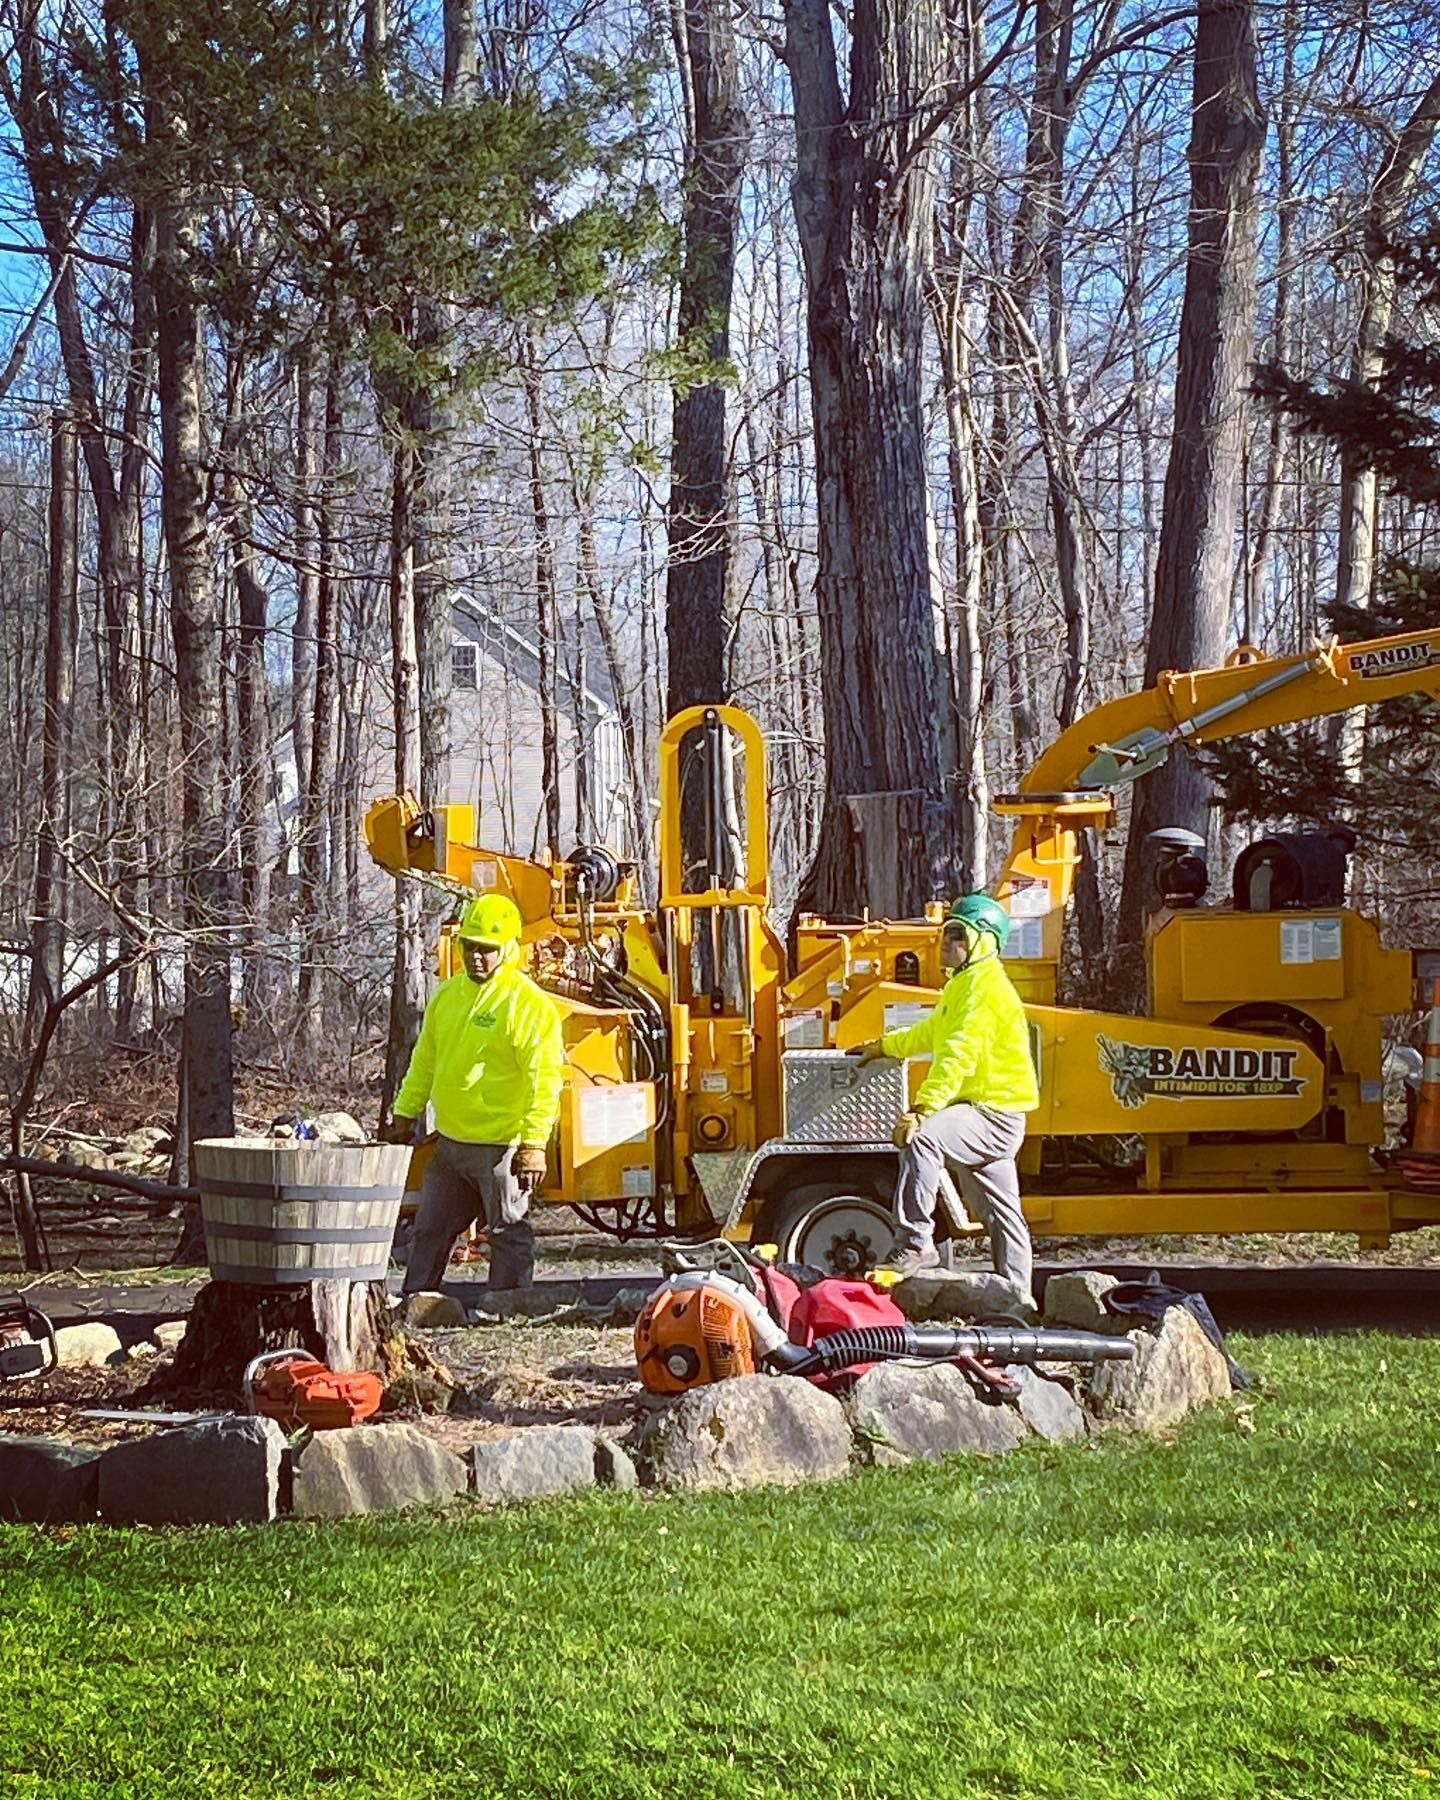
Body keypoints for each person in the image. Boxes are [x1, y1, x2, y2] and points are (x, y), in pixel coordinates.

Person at [853, 894, 1040, 1295]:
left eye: (957, 934)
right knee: (1003, 1214)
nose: (945, 942)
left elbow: (956, 1056)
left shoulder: (984, 991)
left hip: (992, 1115)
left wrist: (923, 1109)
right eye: (945, 933)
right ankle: (1019, 1298)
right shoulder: (966, 985)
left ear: (983, 941)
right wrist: (885, 1046)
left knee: (922, 1140)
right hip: (997, 1114)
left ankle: (915, 1244)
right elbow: (932, 1034)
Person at [384, 893, 565, 1295]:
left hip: (500, 1146)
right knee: (429, 1229)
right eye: (470, 946)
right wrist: (404, 1112)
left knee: (507, 1232)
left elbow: (545, 1078)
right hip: (450, 1146)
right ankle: (414, 1301)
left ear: (509, 949)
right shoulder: (447, 996)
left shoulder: (528, 1005)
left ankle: (508, 1307)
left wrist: (534, 1142)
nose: (476, 957)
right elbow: (425, 1060)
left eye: (486, 949)